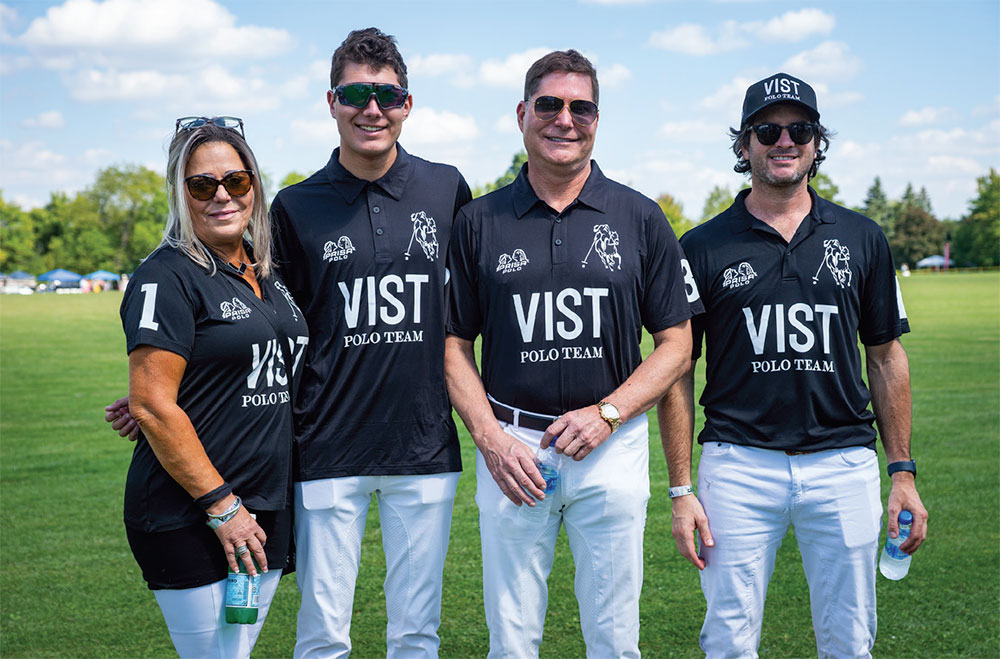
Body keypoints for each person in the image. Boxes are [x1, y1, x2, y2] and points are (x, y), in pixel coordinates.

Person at [659, 72, 928, 657]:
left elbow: (886, 357)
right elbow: (677, 370)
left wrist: (903, 473)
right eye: (768, 131)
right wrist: (681, 488)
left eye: (800, 130)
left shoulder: (863, 237)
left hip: (843, 463)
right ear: (744, 144)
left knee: (849, 640)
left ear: (817, 142)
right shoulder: (700, 246)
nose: (785, 141)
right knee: (728, 641)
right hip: (736, 465)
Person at [444, 49, 701, 658]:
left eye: (581, 108)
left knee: (615, 638)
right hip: (513, 448)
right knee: (511, 640)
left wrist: (609, 413)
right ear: (522, 114)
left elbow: (677, 344)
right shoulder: (478, 221)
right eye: (549, 105)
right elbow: (453, 345)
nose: (565, 119)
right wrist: (490, 439)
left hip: (611, 447)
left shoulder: (640, 216)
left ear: (597, 119)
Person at [119, 116, 308, 658]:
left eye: (236, 180)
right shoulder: (166, 275)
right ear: (181, 193)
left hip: (265, 505)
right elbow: (154, 405)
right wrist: (223, 508)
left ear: (255, 186)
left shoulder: (265, 270)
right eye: (202, 185)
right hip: (194, 511)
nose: (222, 195)